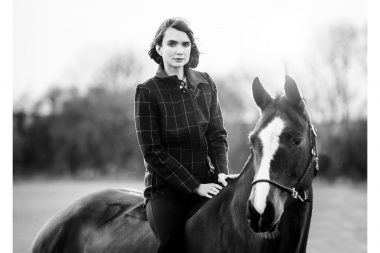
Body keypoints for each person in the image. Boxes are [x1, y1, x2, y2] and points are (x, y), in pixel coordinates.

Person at [134, 17, 237, 253]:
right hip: (165, 191)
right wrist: (194, 186)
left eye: (185, 44)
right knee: (172, 244)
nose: (179, 51)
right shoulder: (148, 91)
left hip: (209, 181)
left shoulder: (206, 83)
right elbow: (153, 152)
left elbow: (217, 135)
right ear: (159, 48)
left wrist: (221, 171)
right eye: (172, 44)